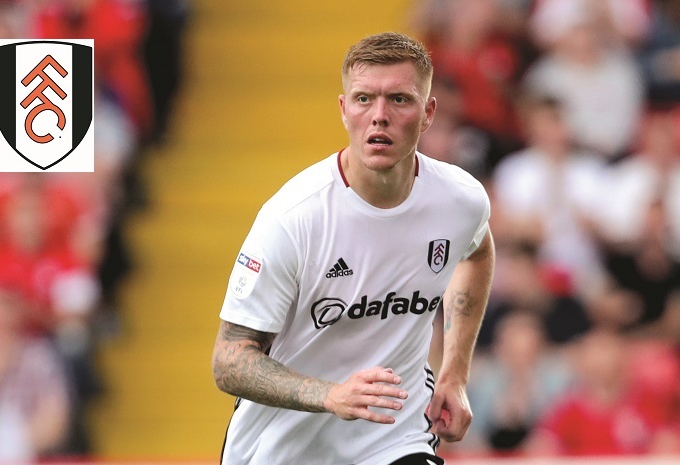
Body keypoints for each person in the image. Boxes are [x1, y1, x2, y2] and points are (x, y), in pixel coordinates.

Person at [212, 32, 495, 465]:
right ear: (344, 110)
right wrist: (331, 395)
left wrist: (454, 374)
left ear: (428, 113)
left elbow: (477, 253)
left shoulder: (460, 200)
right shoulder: (293, 218)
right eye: (364, 99)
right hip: (283, 449)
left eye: (399, 100)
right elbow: (229, 361)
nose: (379, 116)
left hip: (393, 438)